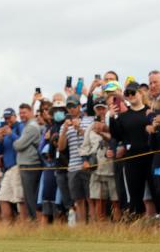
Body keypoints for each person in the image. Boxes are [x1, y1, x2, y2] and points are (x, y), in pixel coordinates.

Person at [111, 83, 153, 217]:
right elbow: (116, 136)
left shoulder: (149, 111)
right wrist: (112, 118)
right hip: (132, 158)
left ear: (140, 93)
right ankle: (137, 219)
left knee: (155, 190)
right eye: (127, 94)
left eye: (133, 93)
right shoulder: (123, 116)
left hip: (150, 156)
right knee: (135, 193)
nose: (130, 96)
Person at [81, 97, 119, 221]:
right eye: (98, 109)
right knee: (98, 199)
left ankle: (118, 224)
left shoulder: (113, 121)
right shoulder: (90, 126)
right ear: (95, 110)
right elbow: (85, 146)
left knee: (115, 199)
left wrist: (102, 132)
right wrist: (85, 161)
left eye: (103, 108)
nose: (101, 111)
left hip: (111, 166)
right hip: (95, 167)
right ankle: (100, 226)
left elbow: (116, 139)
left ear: (107, 108)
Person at [59, 95, 95, 223]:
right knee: (78, 199)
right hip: (73, 166)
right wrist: (64, 130)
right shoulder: (64, 124)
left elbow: (92, 139)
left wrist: (79, 128)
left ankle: (93, 227)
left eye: (73, 106)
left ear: (79, 106)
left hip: (88, 164)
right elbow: (61, 147)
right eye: (69, 107)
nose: (71, 109)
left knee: (90, 198)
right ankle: (81, 228)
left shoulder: (89, 120)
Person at [0, 108, 26, 220]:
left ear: (14, 116)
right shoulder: (5, 130)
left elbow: (22, 142)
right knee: (2, 197)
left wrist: (11, 134)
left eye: (9, 117)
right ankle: (8, 227)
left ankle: (24, 226)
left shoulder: (19, 126)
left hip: (17, 166)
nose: (7, 120)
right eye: (5, 118)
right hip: (8, 169)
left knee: (19, 199)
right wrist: (0, 139)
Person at [14, 103, 42, 221]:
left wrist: (15, 142)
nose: (22, 115)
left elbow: (18, 145)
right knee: (29, 195)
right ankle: (34, 219)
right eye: (20, 113)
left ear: (31, 112)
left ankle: (35, 220)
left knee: (30, 195)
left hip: (30, 164)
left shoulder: (31, 127)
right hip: (28, 163)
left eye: (24, 112)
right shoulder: (28, 126)